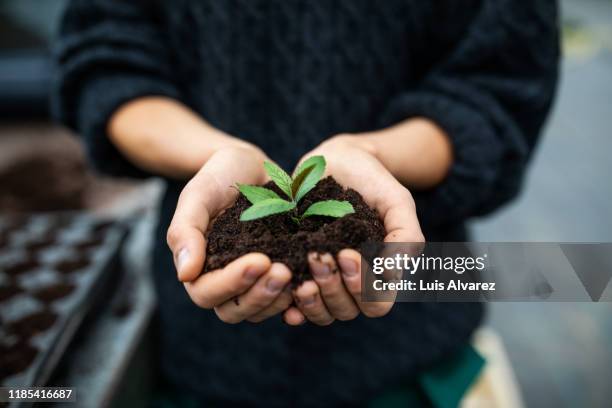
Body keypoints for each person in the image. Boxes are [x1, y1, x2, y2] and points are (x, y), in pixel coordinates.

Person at [53, 1, 559, 406]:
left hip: (412, 336)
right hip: (198, 356)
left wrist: (374, 153)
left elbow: (500, 86)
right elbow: (106, 62)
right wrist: (214, 155)